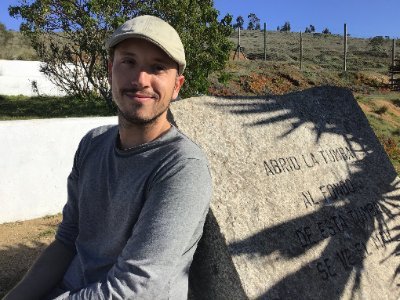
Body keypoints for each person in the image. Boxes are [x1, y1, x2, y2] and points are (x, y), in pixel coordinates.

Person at [5, 15, 212, 300]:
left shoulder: (181, 168)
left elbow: (137, 289)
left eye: (157, 67)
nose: (140, 79)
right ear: (110, 70)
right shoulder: (92, 144)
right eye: (128, 62)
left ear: (177, 85)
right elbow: (67, 241)